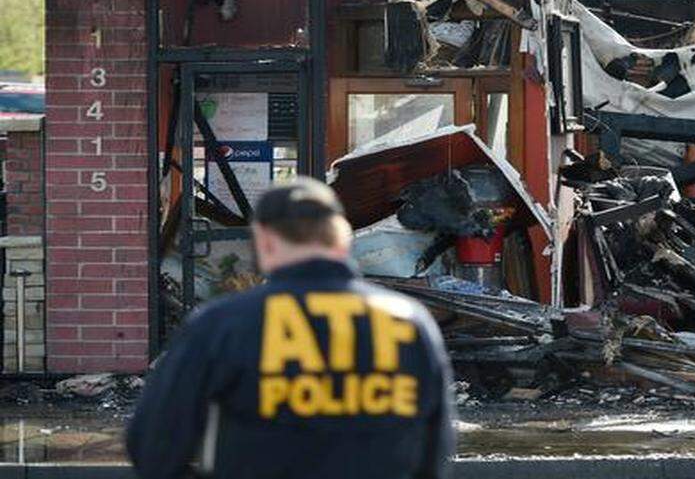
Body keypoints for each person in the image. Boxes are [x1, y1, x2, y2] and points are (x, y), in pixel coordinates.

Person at [128, 177, 455, 479]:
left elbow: (154, 444)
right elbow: (435, 452)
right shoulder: (409, 323)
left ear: (265, 242)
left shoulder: (221, 324)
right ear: (342, 239)